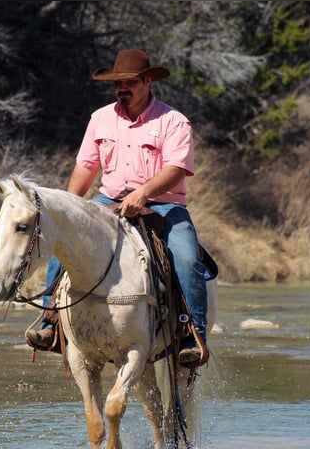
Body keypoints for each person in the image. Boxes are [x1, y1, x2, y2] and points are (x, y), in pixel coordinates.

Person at [26, 49, 208, 365]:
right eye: (117, 83)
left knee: (188, 258)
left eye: (129, 82)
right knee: (63, 242)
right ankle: (50, 322)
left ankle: (191, 334)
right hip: (107, 201)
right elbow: (86, 166)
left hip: (163, 206)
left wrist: (142, 194)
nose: (122, 88)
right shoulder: (101, 118)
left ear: (147, 81)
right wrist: (69, 205)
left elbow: (176, 169)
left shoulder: (173, 121)